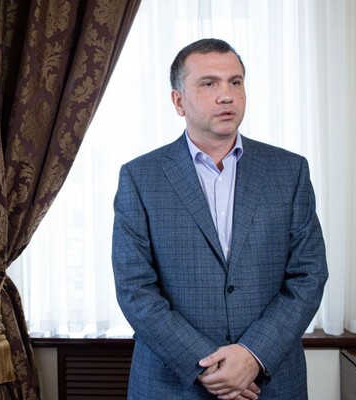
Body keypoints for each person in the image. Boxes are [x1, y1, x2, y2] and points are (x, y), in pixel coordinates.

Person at [111, 38, 329, 399]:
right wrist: (210, 366)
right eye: (209, 84)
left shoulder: (289, 171)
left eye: (235, 82)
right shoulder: (140, 177)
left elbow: (309, 275)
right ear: (178, 101)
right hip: (172, 385)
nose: (226, 95)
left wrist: (252, 356)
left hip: (269, 381)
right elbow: (135, 289)